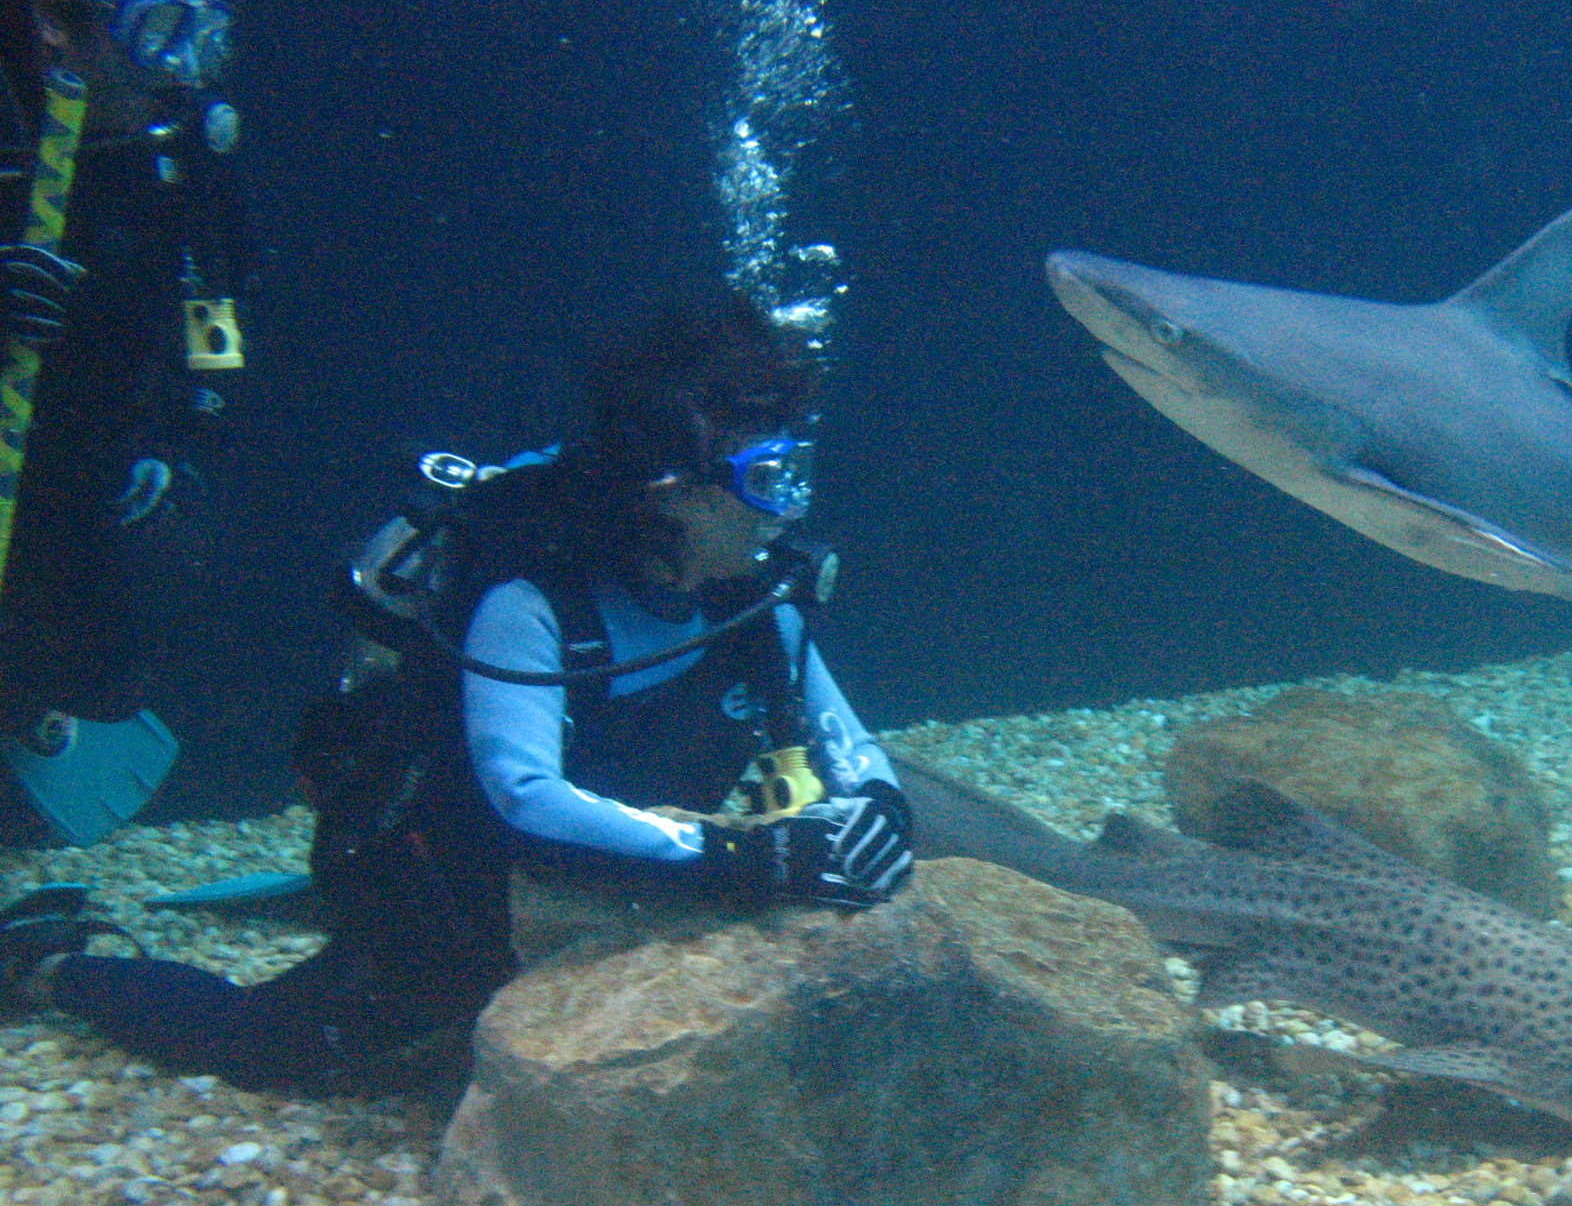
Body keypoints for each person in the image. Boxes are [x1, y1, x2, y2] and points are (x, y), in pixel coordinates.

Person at [0, 295, 913, 1097]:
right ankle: (54, 967)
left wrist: (880, 812)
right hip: (449, 895)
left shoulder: (755, 604)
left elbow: (856, 754)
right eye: (764, 479)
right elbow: (526, 798)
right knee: (266, 1044)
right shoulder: (529, 601)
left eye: (790, 473)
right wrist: (741, 856)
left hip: (614, 892)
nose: (782, 510)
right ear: (668, 490)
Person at [0, 0, 249, 841]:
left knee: (101, 674)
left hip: (90, 443)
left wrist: (188, 431)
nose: (168, 62)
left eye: (184, 28)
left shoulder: (177, 157)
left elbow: (214, 306)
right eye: (143, 28)